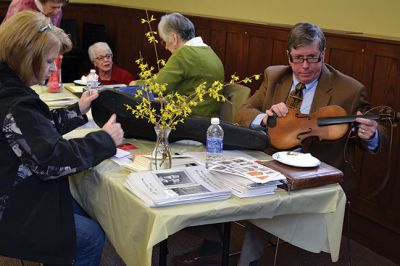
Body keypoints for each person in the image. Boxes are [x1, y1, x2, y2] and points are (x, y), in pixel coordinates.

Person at [234, 22, 388, 266]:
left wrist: (371, 135)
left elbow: (375, 130)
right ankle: (249, 261)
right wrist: (266, 117)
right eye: (297, 59)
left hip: (318, 173)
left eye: (312, 58)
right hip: (272, 165)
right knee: (249, 198)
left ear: (323, 54)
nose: (304, 66)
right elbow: (243, 112)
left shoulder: (349, 89)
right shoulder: (275, 76)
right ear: (288, 56)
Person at [0, 10, 124, 266]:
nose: (51, 68)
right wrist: (105, 140)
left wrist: (77, 110)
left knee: (78, 205)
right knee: (90, 236)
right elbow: (52, 160)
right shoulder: (17, 102)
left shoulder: (8, 88)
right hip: (8, 205)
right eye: (47, 62)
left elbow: (33, 131)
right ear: (26, 58)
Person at [132, 12, 225, 117]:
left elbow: (159, 87)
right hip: (210, 119)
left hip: (190, 119)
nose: (166, 47)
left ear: (174, 38)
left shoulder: (183, 54)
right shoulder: (208, 51)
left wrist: (134, 84)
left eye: (164, 42)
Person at [3, 0, 68, 26]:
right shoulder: (21, 6)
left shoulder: (56, 5)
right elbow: (13, 37)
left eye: (59, 7)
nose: (56, 12)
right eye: (52, 7)